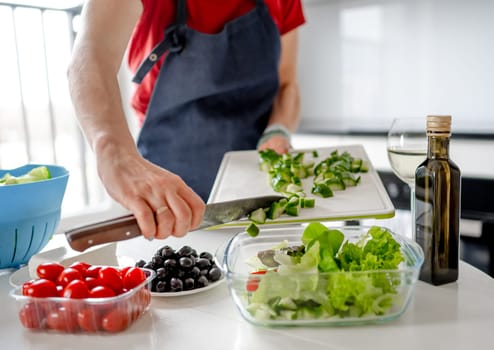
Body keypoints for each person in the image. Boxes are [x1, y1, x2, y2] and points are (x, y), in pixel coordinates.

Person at [67, 0, 305, 241]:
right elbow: (91, 53)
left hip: (260, 191)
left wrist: (278, 130)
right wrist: (114, 150)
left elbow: (287, 86)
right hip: (167, 201)